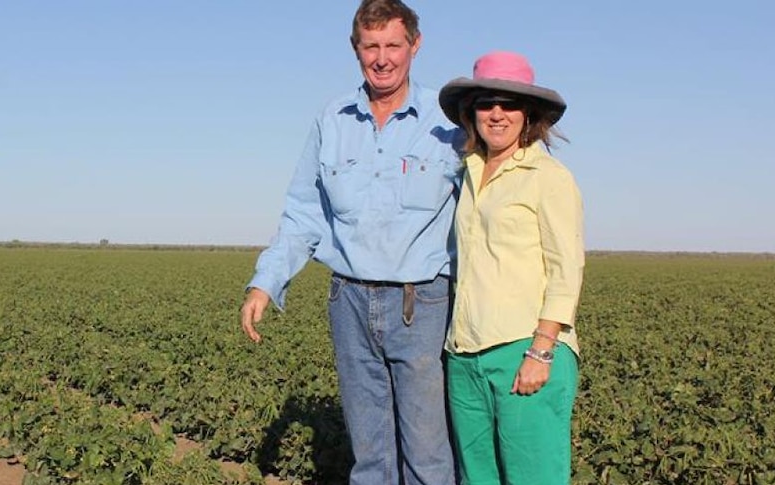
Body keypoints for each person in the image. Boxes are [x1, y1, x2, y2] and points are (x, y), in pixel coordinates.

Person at [240, 1, 461, 483]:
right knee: (371, 453)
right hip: (350, 301)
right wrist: (265, 282)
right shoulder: (332, 120)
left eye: (393, 46)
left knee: (427, 453)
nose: (382, 58)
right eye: (371, 47)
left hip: (421, 302)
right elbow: (303, 213)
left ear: (414, 46)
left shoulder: (447, 125)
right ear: (355, 49)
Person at [437, 51, 585, 485]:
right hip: (464, 352)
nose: (497, 114)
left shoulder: (548, 177)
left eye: (509, 104)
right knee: (477, 477)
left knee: (532, 477)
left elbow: (566, 268)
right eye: (486, 103)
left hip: (523, 348)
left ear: (529, 114)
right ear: (471, 113)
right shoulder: (467, 171)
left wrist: (541, 351)